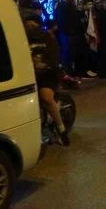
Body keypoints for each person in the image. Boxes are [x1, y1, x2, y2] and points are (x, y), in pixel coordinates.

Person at [22, 12, 70, 146]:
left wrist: (47, 65)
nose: (30, 28)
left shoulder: (48, 37)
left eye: (32, 25)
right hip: (31, 74)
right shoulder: (23, 38)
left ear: (38, 25)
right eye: (27, 26)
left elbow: (55, 56)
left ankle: (61, 130)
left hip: (49, 73)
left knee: (46, 96)